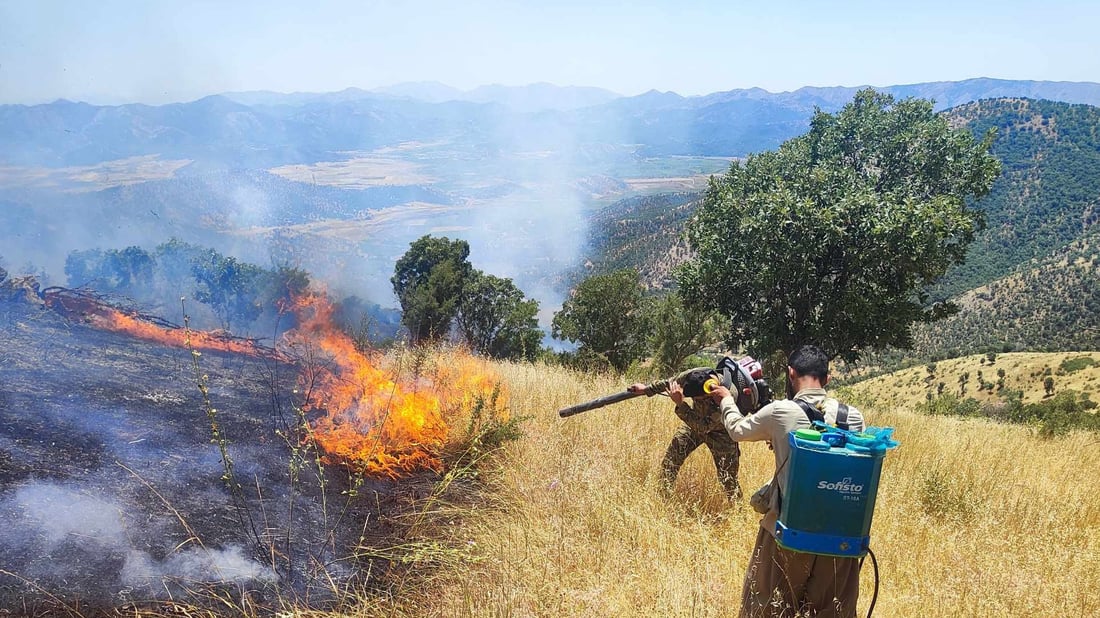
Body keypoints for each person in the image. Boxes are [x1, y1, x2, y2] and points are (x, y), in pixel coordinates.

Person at [708, 344, 866, 618]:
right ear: (826, 379)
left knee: (767, 610)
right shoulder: (853, 417)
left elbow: (736, 430)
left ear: (791, 373)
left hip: (788, 534)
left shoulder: (781, 411)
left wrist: (724, 398)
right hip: (840, 542)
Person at [628, 367, 742, 500]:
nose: (695, 400)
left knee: (728, 479)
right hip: (694, 422)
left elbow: (703, 427)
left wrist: (680, 404)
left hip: (721, 434)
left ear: (707, 393)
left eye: (696, 398)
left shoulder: (727, 396)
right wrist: (646, 389)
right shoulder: (693, 375)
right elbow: (670, 383)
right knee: (671, 460)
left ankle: (738, 509)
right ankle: (663, 498)